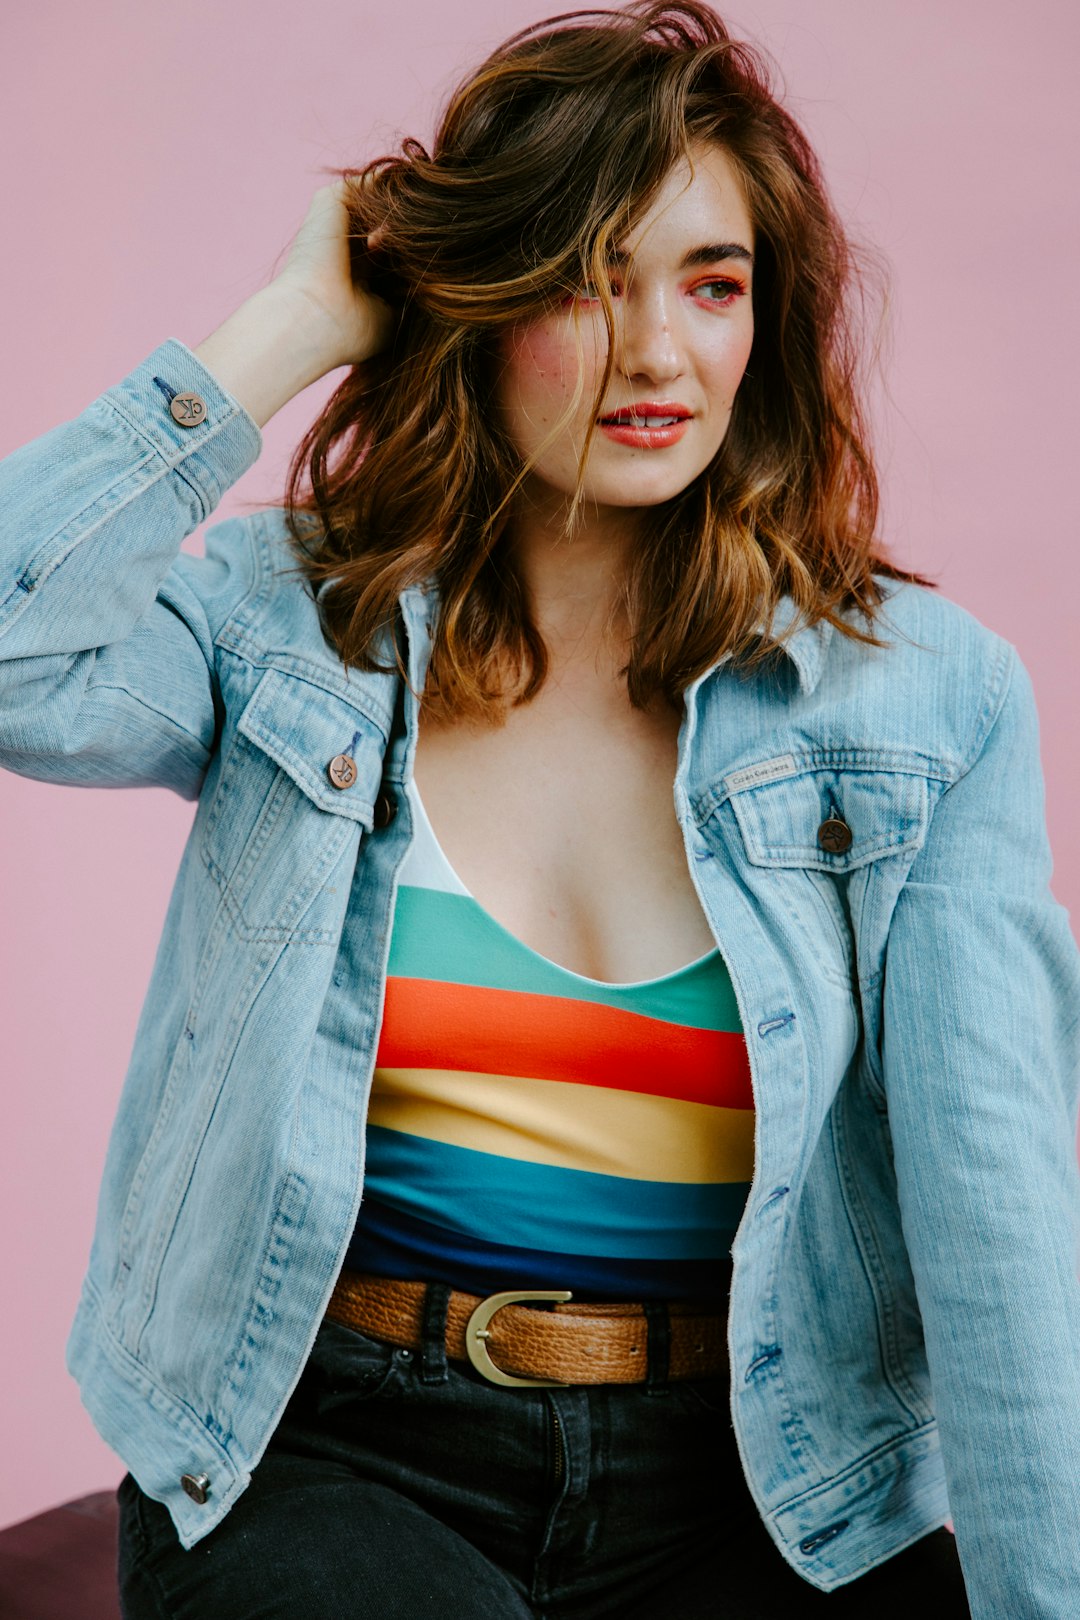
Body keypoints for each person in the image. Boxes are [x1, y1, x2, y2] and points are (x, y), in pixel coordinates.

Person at [1, 2, 1077, 1615]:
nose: (657, 354)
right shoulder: (292, 622)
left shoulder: (922, 700)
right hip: (333, 1445)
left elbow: (1001, 1215)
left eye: (712, 285)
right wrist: (294, 323)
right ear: (477, 302)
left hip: (758, 1474)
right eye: (585, 279)